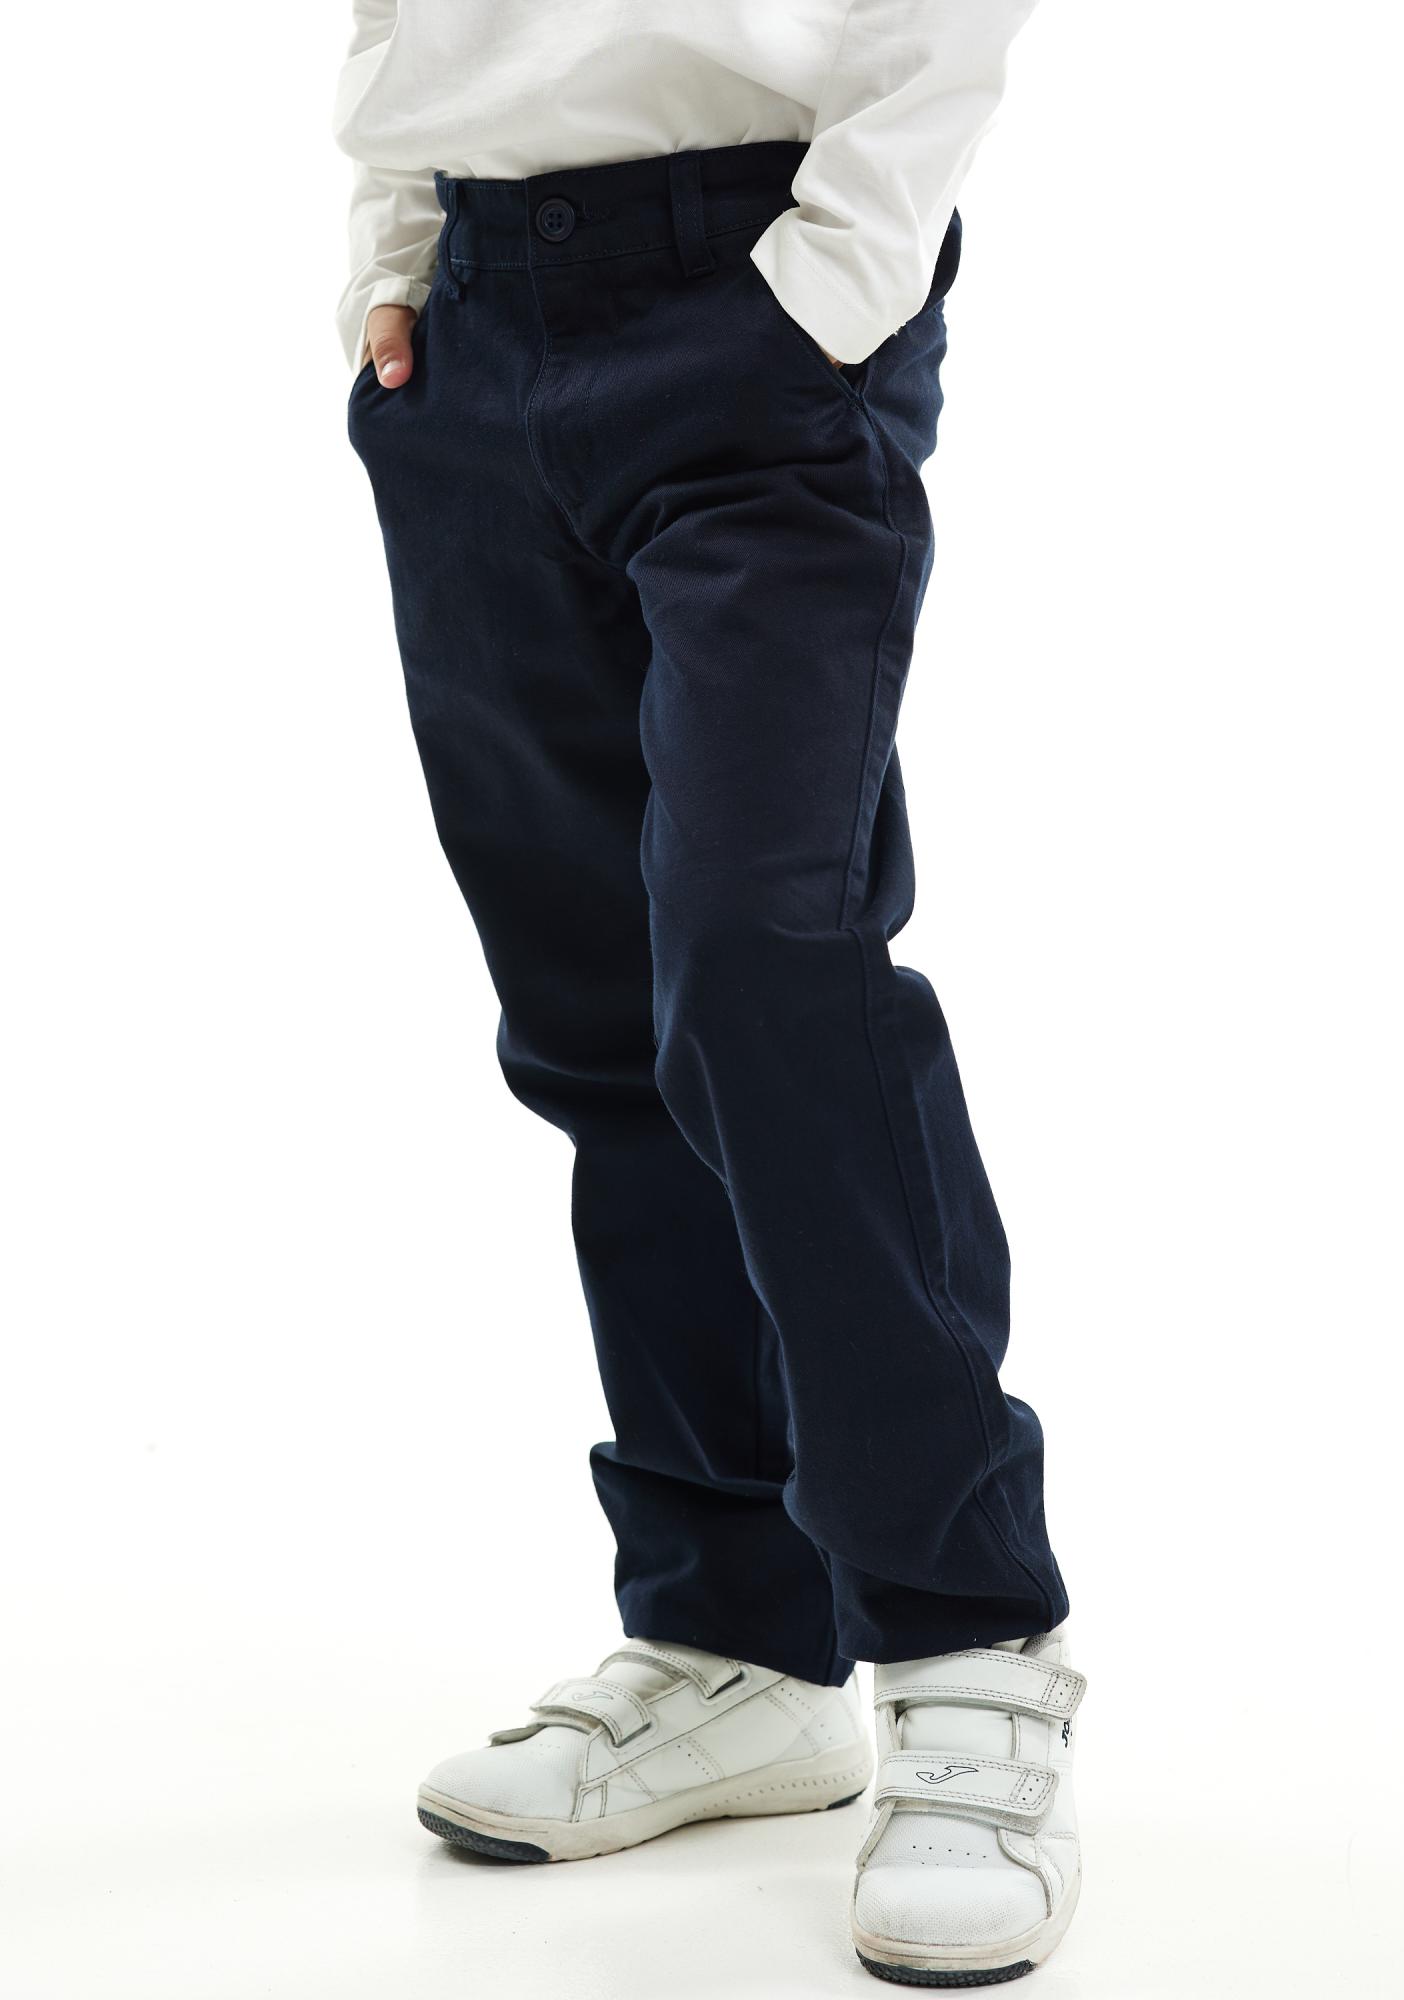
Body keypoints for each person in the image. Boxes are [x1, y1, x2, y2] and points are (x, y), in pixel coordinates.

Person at [335, 1, 1083, 1983]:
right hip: (477, 320)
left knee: (769, 969)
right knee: (598, 1015)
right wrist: (397, 246)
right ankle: (736, 1639)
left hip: (758, 293)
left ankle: (969, 1645)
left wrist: (826, 282)